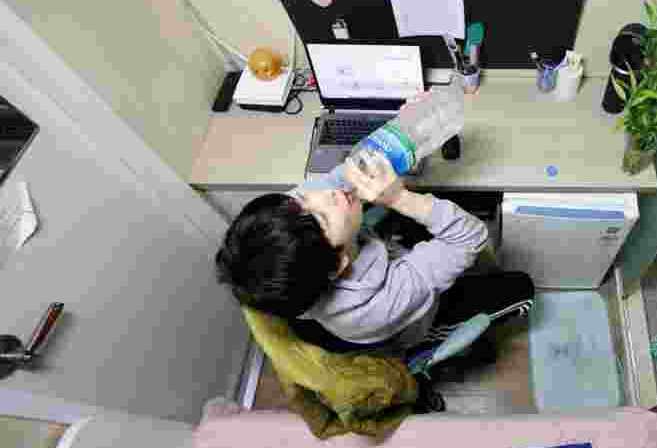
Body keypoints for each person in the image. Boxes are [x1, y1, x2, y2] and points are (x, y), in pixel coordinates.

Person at [215, 150, 534, 355]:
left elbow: (339, 178)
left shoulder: (292, 230)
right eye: (324, 217)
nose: (325, 194)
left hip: (378, 256)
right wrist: (397, 198)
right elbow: (471, 236)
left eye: (302, 201)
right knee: (520, 288)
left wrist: (401, 134)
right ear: (339, 264)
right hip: (413, 317)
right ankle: (432, 340)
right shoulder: (379, 303)